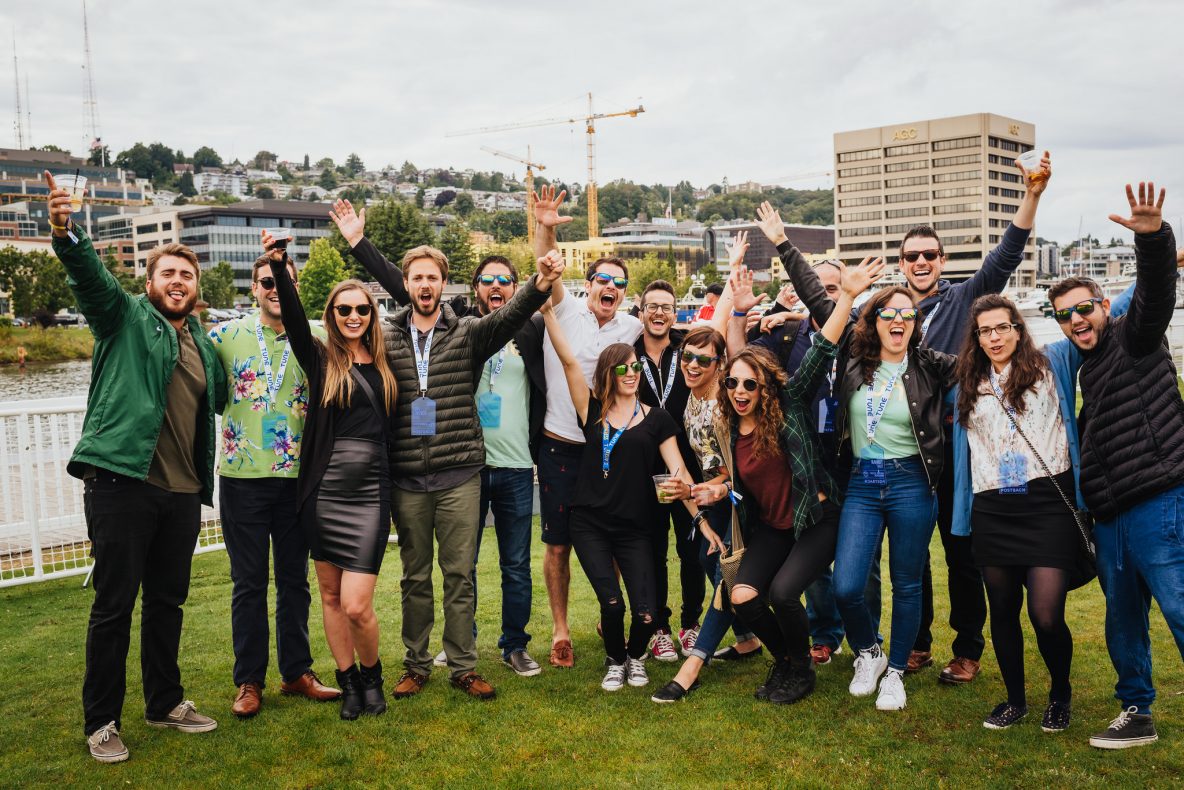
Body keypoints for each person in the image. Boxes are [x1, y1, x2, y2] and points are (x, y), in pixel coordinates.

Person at [758, 151, 1052, 683]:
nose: (922, 263)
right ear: (901, 261)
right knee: (887, 568)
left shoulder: (963, 299)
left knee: (959, 554)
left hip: (945, 458)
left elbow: (1006, 255)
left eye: (930, 255)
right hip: (879, 467)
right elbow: (826, 305)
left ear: (942, 260)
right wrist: (782, 244)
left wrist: (1031, 196)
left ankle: (965, 648)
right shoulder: (872, 326)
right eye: (912, 255)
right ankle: (907, 647)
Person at [45, 170, 223, 763]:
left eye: (187, 275)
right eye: (168, 273)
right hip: (122, 483)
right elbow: (90, 281)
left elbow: (222, 398)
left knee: (168, 602)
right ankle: (102, 722)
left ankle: (164, 702)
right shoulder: (123, 319)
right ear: (149, 282)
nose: (178, 282)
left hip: (180, 492)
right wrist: (67, 233)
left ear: (198, 287)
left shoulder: (200, 338)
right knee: (114, 606)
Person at [344, 216, 561, 701]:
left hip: (460, 472)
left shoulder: (466, 332)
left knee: (459, 575)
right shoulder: (385, 336)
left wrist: (539, 281)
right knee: (414, 577)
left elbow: (509, 316)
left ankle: (463, 665)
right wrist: (359, 244)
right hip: (406, 476)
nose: (425, 285)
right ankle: (416, 664)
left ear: (444, 285)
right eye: (416, 277)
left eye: (433, 277)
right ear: (407, 284)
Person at [1049, 182, 1184, 749]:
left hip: (1157, 498)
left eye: (1084, 308)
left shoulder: (1134, 337)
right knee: (1122, 621)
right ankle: (1137, 712)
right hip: (1111, 516)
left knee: (1179, 604)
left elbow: (1156, 294)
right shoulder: (1084, 369)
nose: (1076, 320)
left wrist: (1154, 240)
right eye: (1064, 315)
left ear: (1106, 307)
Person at [713, 258, 882, 704]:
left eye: (750, 385)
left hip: (816, 518)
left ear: (766, 386)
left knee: (786, 594)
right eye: (733, 385)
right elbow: (735, 357)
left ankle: (801, 670)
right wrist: (736, 312)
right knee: (745, 596)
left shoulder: (788, 404)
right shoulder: (731, 427)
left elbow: (824, 346)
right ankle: (786, 659)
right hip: (773, 527)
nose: (741, 391)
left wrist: (845, 295)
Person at [538, 253, 707, 692]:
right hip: (591, 521)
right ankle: (617, 659)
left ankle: (635, 657)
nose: (631, 373)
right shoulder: (590, 411)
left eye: (634, 367)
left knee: (647, 614)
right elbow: (569, 362)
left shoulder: (656, 419)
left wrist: (698, 512)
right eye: (622, 369)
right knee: (612, 605)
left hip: (635, 527)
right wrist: (545, 315)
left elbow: (679, 469)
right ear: (609, 374)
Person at [262, 231, 399, 720]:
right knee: (331, 597)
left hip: (369, 497)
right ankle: (350, 683)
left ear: (372, 314)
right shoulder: (322, 360)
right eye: (344, 310)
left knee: (358, 603)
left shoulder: (387, 364)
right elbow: (295, 322)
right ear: (332, 316)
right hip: (323, 494)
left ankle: (374, 674)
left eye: (362, 309)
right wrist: (279, 265)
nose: (354, 317)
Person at [207, 254, 341, 719]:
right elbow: (208, 395)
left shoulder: (320, 339)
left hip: (297, 481)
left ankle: (296, 672)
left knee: (294, 581)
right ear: (253, 288)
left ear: (294, 287)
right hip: (242, 479)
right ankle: (248, 681)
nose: (272, 288)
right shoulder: (224, 337)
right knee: (247, 584)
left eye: (281, 281)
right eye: (266, 282)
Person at [950, 295, 1089, 732]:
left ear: (1018, 328)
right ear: (976, 337)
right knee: (1004, 608)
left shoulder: (1053, 363)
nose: (994, 337)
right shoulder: (967, 383)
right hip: (993, 507)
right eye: (984, 331)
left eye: (1002, 327)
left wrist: (1157, 251)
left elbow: (1105, 312)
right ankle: (1015, 700)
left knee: (1046, 613)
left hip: (1048, 501)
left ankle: (1060, 694)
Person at [831, 286, 957, 711]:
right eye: (889, 313)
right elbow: (820, 307)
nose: (899, 320)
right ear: (874, 321)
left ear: (915, 323)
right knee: (846, 585)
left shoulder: (929, 364)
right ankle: (869, 652)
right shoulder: (852, 362)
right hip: (863, 484)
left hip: (911, 483)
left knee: (907, 583)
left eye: (908, 314)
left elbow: (981, 365)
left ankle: (896, 673)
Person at [532, 185, 643, 668]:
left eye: (618, 283)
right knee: (557, 545)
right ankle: (560, 631)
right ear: (589, 280)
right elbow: (545, 269)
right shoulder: (565, 308)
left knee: (615, 540)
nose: (610, 287)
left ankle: (609, 614)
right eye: (602, 279)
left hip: (609, 453)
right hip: (560, 448)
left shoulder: (631, 329)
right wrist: (546, 228)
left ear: (624, 291)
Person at [633, 239, 739, 661]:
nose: (659, 313)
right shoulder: (629, 353)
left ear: (675, 311)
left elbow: (722, 318)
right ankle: (659, 626)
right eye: (652, 306)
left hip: (694, 472)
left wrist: (732, 272)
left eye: (666, 306)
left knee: (694, 551)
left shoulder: (688, 348)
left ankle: (692, 624)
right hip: (646, 471)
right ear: (640, 312)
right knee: (652, 550)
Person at [649, 326, 761, 701]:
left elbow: (745, 464)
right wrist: (700, 509)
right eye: (687, 357)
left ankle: (692, 666)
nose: (692, 365)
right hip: (713, 499)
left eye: (703, 360)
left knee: (724, 577)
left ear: (720, 364)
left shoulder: (725, 405)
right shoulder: (691, 397)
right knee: (702, 555)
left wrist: (714, 490)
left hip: (739, 499)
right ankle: (748, 640)